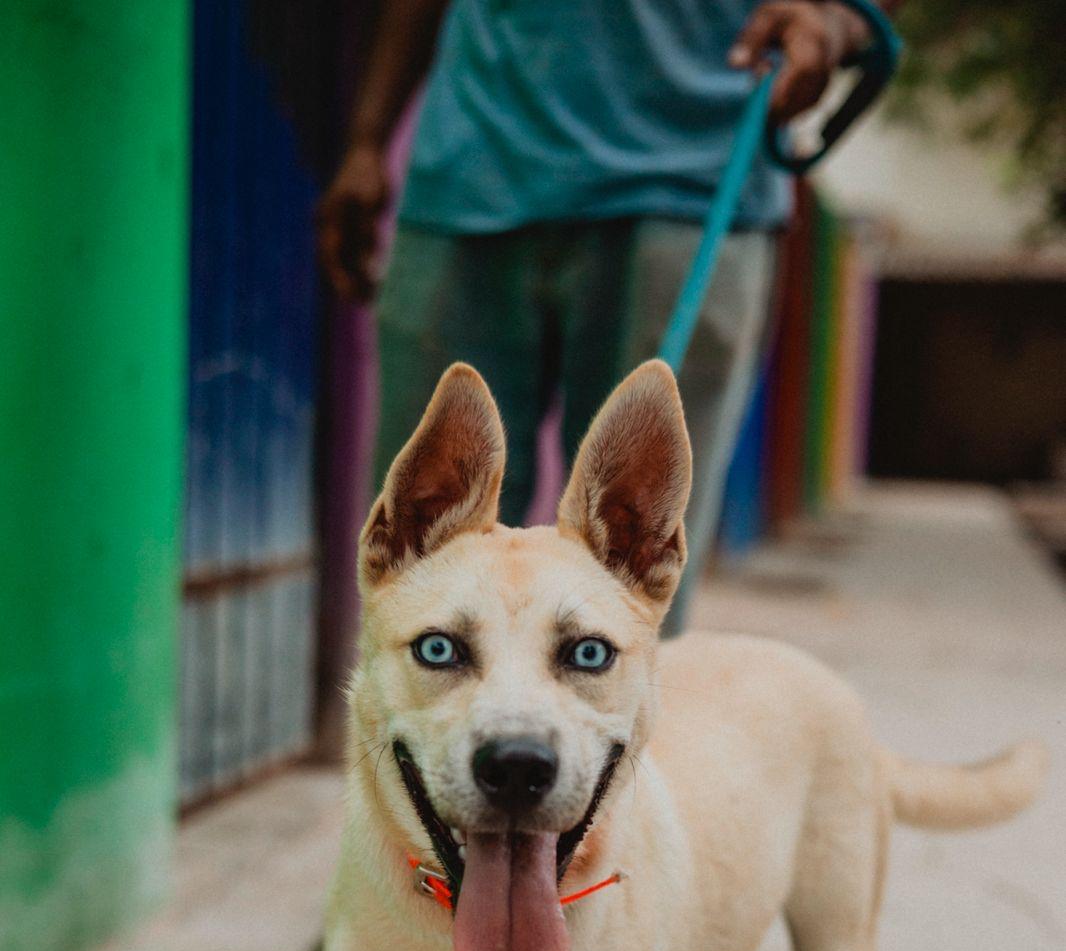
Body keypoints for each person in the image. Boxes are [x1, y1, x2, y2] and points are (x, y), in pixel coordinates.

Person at [318, 0, 885, 633]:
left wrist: (839, 20)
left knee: (634, 585)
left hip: (692, 182)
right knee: (414, 572)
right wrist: (367, 139)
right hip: (468, 170)